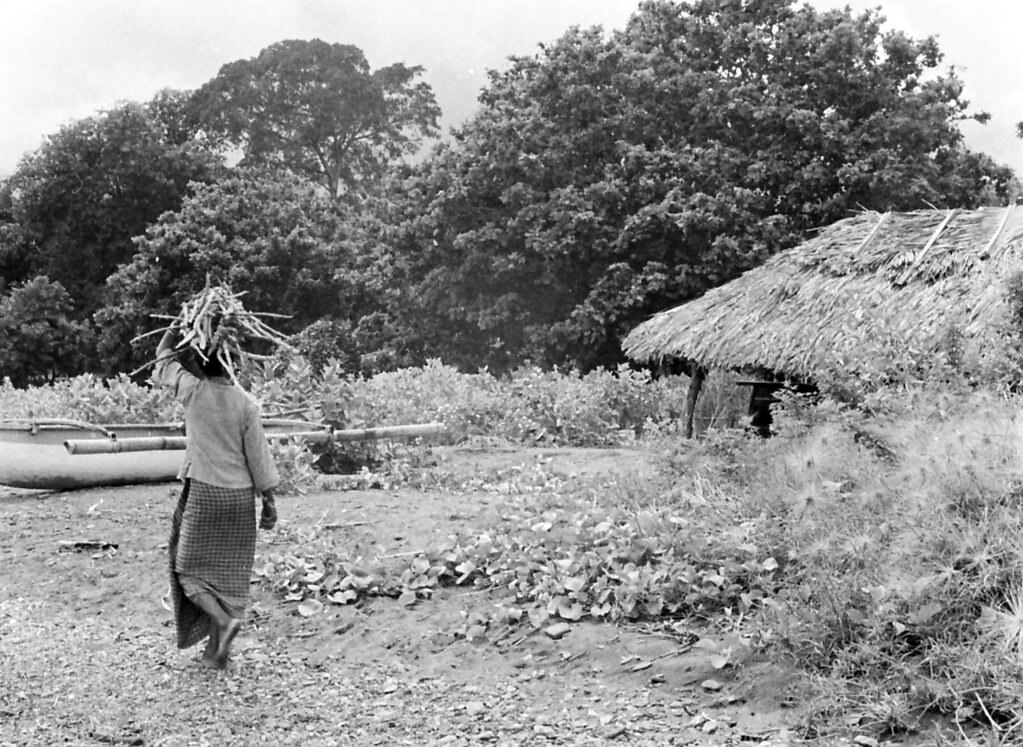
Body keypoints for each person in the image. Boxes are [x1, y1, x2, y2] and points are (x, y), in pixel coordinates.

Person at [153, 326, 279, 669]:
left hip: (206, 493)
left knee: (188, 571)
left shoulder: (192, 390)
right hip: (239, 500)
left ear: (198, 361)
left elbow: (163, 358)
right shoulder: (246, 404)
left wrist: (175, 328)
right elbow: (259, 457)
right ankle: (215, 654)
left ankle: (221, 624)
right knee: (228, 575)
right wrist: (269, 501)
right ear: (233, 363)